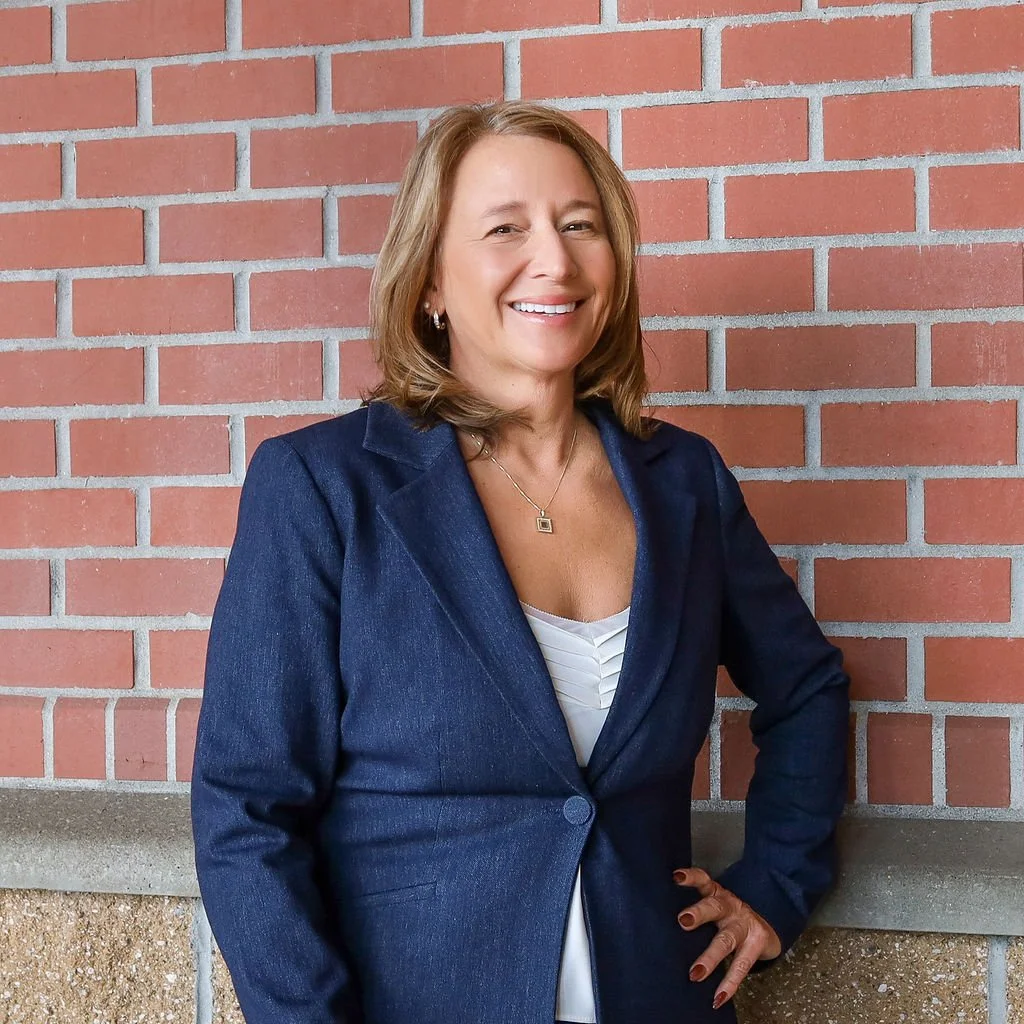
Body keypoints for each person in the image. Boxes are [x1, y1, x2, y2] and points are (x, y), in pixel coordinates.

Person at [191, 101, 850, 1024]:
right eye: (507, 228)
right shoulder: (323, 488)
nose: (556, 259)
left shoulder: (683, 483)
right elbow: (246, 814)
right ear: (429, 280)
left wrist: (777, 883)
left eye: (580, 225)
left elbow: (808, 687)